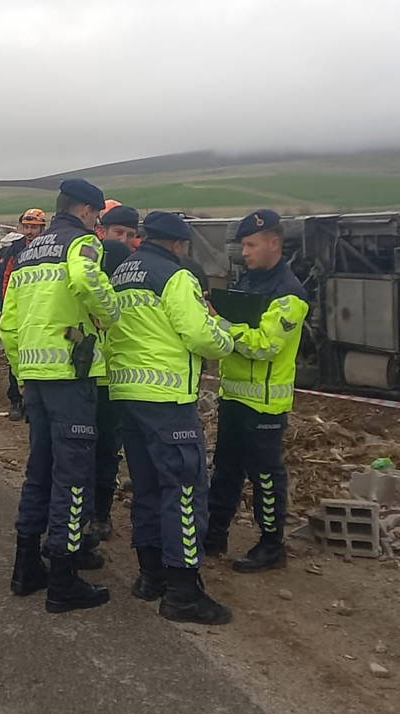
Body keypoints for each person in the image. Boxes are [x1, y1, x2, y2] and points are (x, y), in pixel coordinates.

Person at [107, 211, 235, 624]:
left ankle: (151, 576)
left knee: (146, 487)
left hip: (126, 393)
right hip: (167, 399)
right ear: (179, 244)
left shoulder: (121, 274)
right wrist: (226, 336)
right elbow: (201, 336)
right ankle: (182, 592)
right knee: (184, 490)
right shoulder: (175, 276)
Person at [0, 179, 120, 613]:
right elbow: (87, 280)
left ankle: (26, 565)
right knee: (72, 476)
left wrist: (22, 371)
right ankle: (64, 578)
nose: (96, 221)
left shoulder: (28, 251)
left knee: (39, 471)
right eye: (97, 215)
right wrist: (111, 315)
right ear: (86, 210)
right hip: (71, 373)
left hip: (35, 375)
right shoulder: (82, 243)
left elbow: (8, 323)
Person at [205, 209, 309, 572]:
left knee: (265, 476)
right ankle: (214, 534)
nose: (244, 252)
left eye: (251, 245)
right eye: (243, 245)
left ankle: (271, 545)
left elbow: (265, 345)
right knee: (225, 469)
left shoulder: (289, 294)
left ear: (273, 243)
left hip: (265, 405)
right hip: (234, 396)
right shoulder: (248, 281)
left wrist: (219, 323)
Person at [85, 203, 141, 543]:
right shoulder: (86, 264)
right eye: (118, 232)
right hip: (85, 373)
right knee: (82, 448)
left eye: (130, 234)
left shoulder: (136, 271)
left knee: (108, 449)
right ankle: (79, 512)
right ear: (101, 231)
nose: (124, 240)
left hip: (116, 376)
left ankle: (101, 514)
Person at [0, 208, 47, 421]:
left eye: (34, 227)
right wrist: (1, 308)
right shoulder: (14, 249)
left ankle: (38, 400)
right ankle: (15, 400)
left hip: (42, 308)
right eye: (26, 226)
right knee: (14, 353)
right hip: (17, 309)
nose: (29, 231)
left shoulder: (50, 247)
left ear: (42, 228)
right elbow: (3, 278)